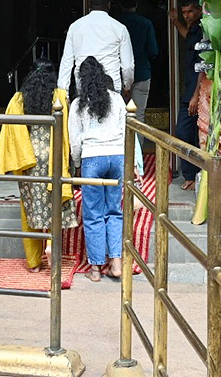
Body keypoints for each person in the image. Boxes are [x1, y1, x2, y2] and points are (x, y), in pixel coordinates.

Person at [0, 59, 77, 272]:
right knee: (53, 204)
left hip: (29, 157)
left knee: (30, 209)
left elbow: (12, 130)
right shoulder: (59, 96)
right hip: (53, 156)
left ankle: (34, 262)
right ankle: (51, 247)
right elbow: (67, 128)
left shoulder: (20, 98)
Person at [69, 57, 126, 282]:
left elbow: (75, 140)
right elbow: (125, 130)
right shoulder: (118, 99)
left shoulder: (77, 104)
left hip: (92, 158)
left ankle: (95, 269)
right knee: (114, 210)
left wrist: (76, 164)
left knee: (93, 215)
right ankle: (116, 262)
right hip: (116, 156)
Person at [58, 0, 134, 96]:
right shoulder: (119, 28)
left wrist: (63, 91)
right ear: (109, 5)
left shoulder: (75, 27)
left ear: (89, 4)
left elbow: (67, 62)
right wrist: (127, 86)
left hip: (84, 86)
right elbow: (128, 66)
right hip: (111, 87)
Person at [171, 0, 203, 191]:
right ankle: (192, 174)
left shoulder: (205, 30)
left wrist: (196, 95)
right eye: (184, 13)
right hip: (189, 90)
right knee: (185, 133)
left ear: (199, 10)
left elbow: (203, 66)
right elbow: (188, 38)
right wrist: (175, 21)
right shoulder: (194, 30)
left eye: (190, 11)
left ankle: (193, 176)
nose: (187, 16)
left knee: (188, 132)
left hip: (196, 92)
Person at [116, 0, 159, 113]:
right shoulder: (146, 23)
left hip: (118, 75)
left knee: (118, 115)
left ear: (119, 5)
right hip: (142, 73)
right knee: (139, 116)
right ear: (137, 5)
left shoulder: (115, 24)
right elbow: (153, 51)